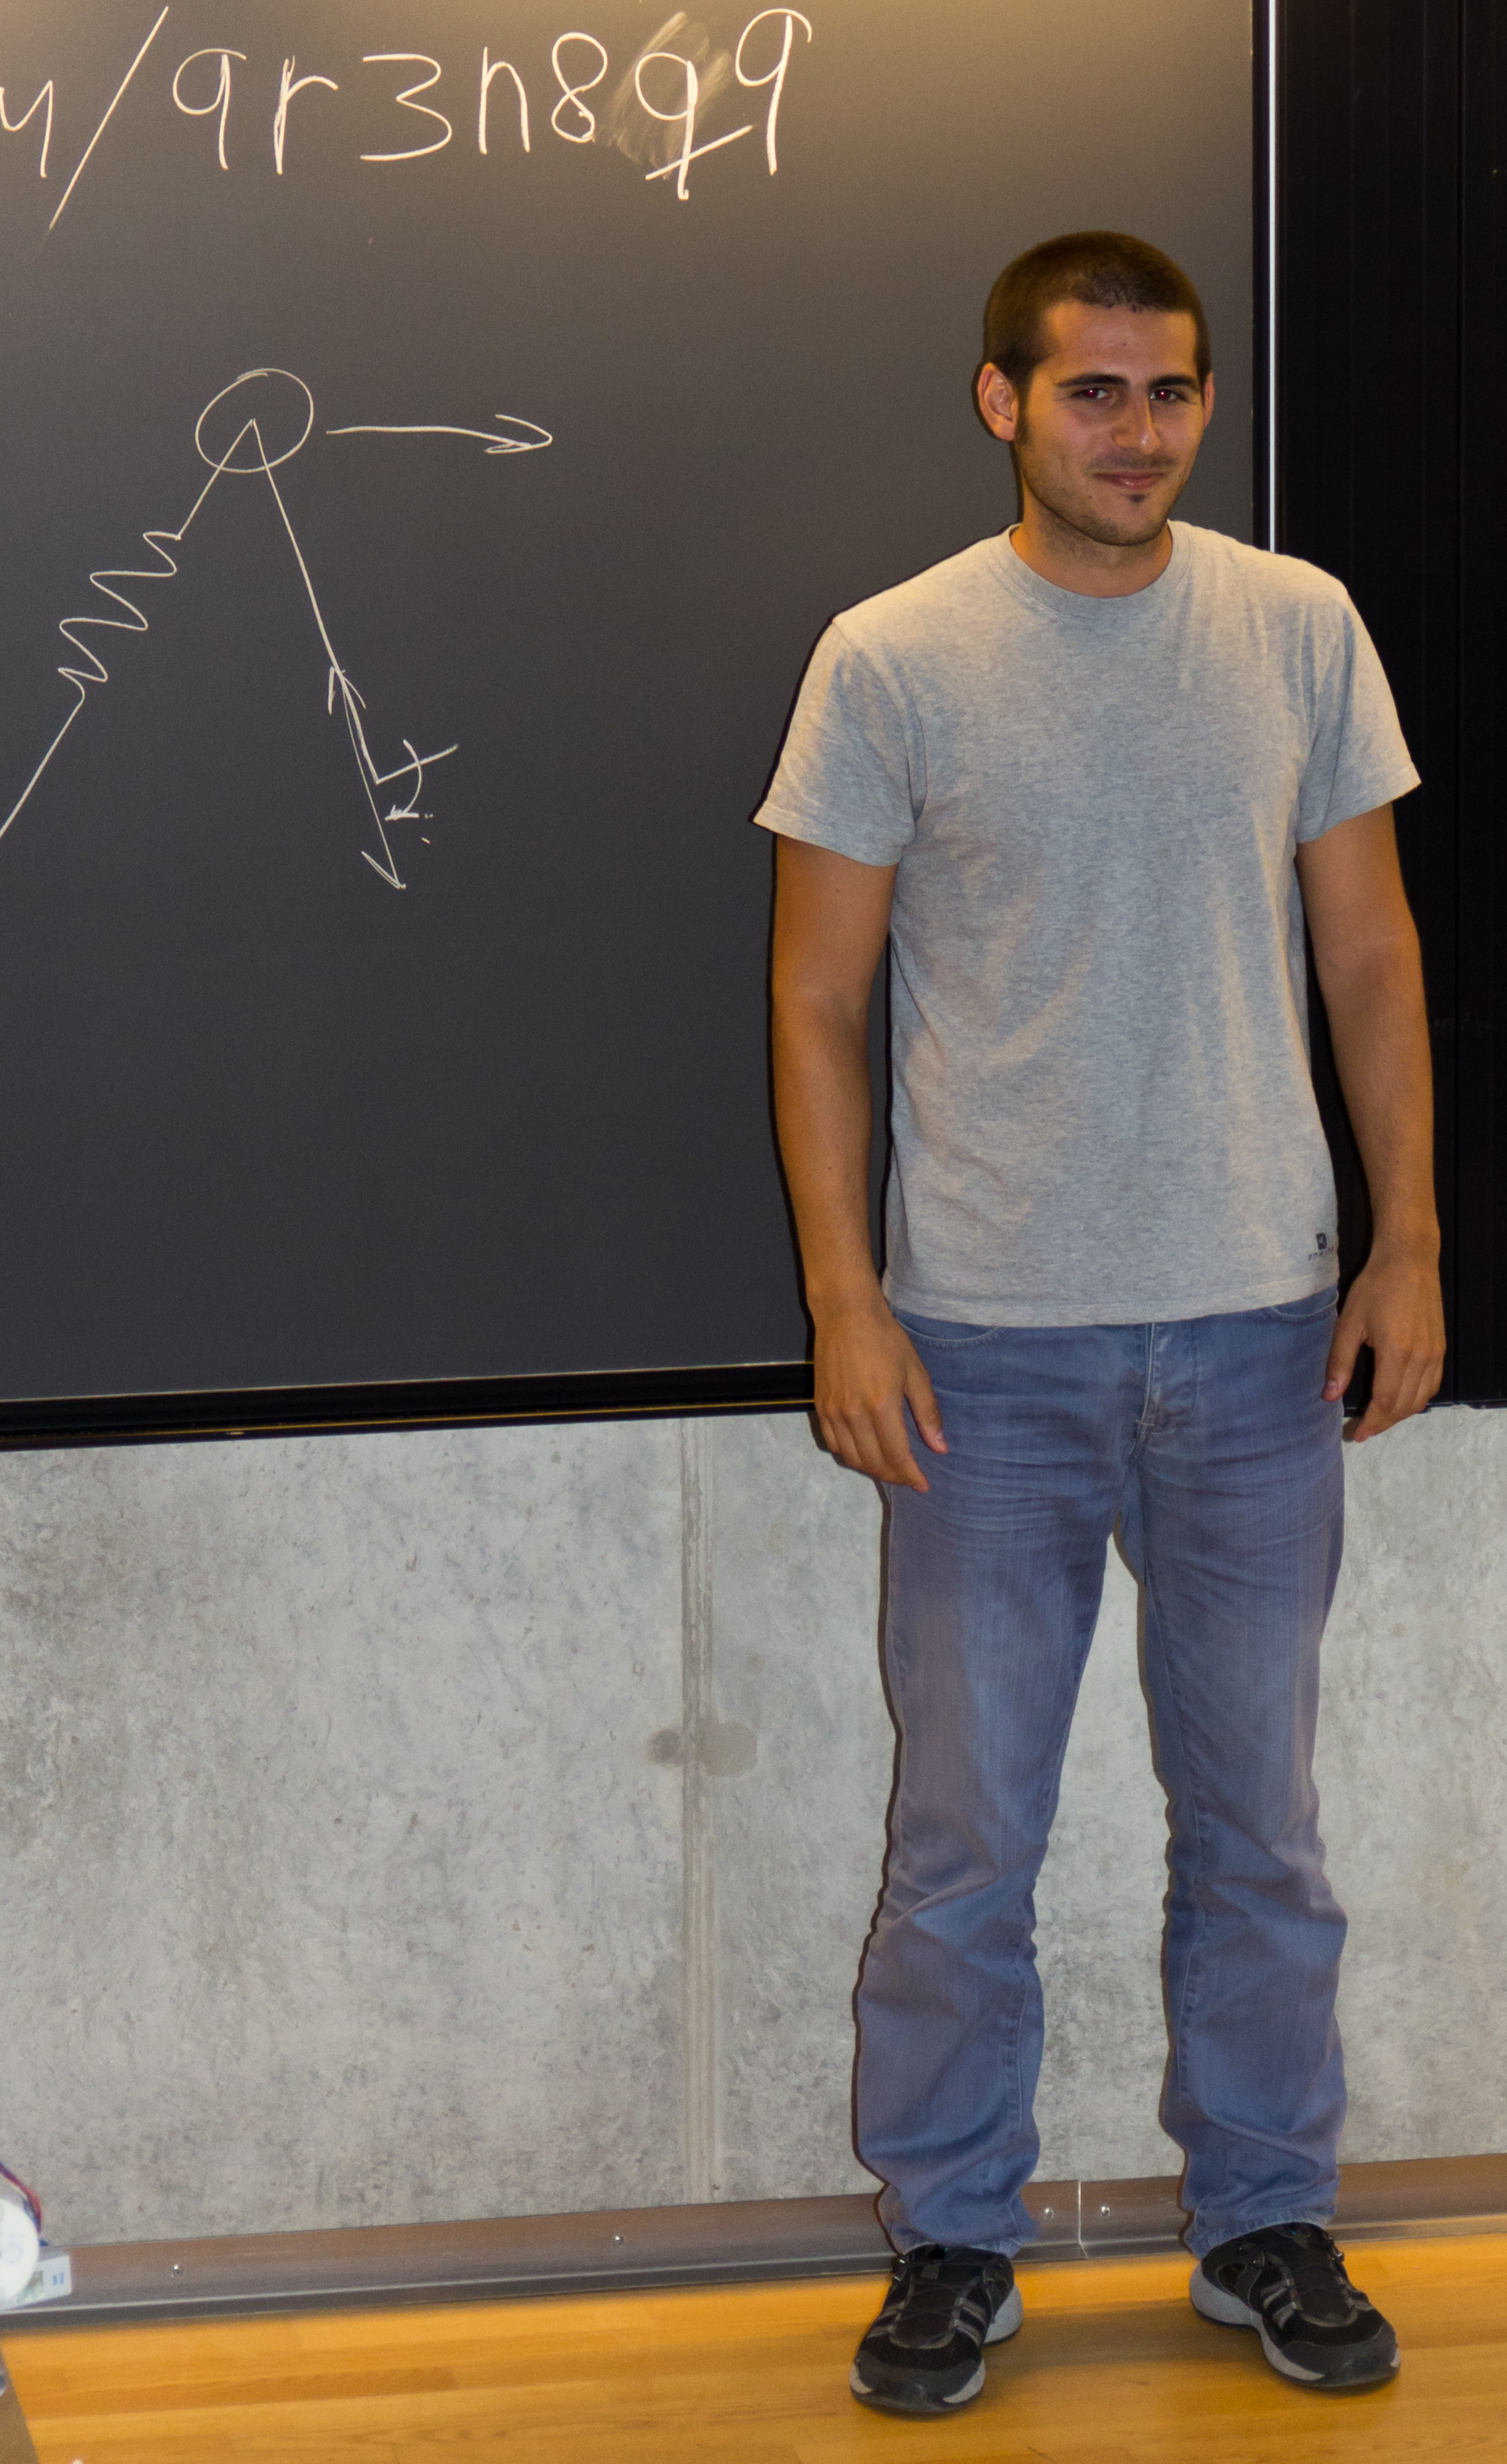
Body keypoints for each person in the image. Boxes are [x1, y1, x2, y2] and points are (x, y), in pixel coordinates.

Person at [758, 230, 1445, 2415]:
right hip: (985, 1351)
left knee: (1264, 1836)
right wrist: (846, 1300)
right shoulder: (892, 658)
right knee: (965, 1847)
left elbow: (1371, 957)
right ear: (1005, 404)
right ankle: (952, 2241)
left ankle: (1262, 2220)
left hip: (1259, 1336)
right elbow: (816, 998)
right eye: (1092, 392)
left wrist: (1414, 1244)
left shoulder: (1299, 627)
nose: (1137, 432)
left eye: (1170, 392)